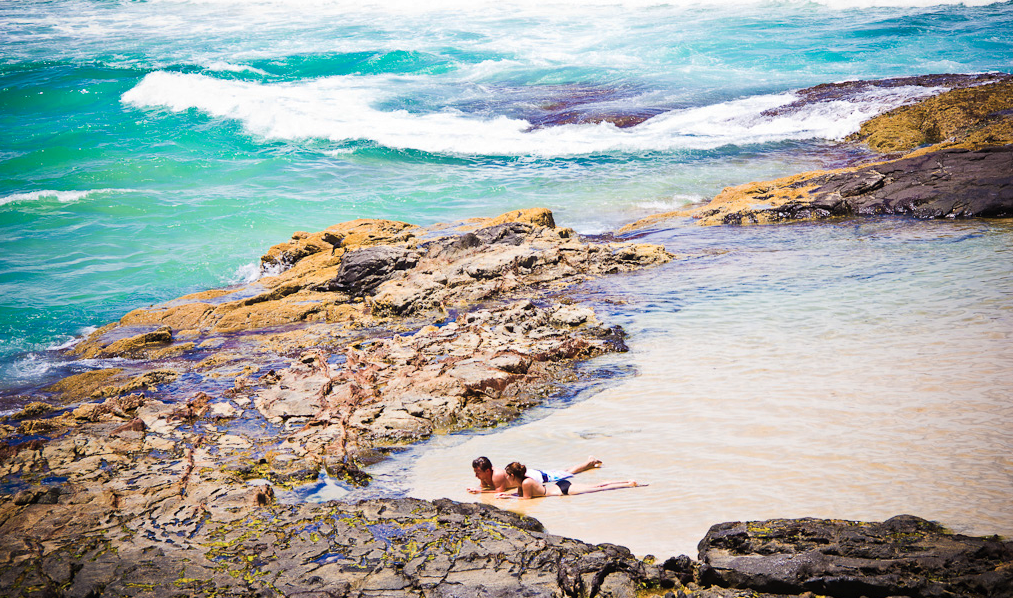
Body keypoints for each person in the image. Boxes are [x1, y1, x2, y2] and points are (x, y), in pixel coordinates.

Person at [495, 461, 646, 499]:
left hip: (563, 490)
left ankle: (629, 484)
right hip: (559, 486)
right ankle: (628, 482)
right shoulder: (524, 481)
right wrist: (509, 495)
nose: (506, 477)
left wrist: (508, 497)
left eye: (508, 475)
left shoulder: (526, 483)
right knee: (597, 486)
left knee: (599, 487)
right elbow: (521, 496)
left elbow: (526, 500)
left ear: (513, 475)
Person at [467, 455, 602, 494]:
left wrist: (480, 492)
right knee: (565, 471)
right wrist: (478, 489)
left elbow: (498, 491)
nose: (476, 475)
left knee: (567, 473)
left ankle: (590, 462)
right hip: (525, 476)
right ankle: (589, 463)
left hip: (535, 477)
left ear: (488, 471)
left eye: (478, 472)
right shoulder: (484, 475)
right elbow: (485, 488)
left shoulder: (497, 475)